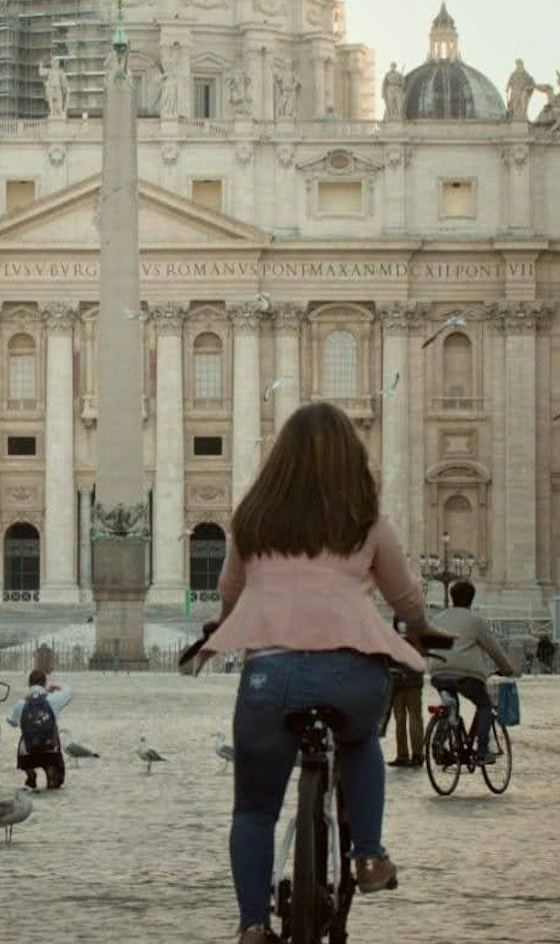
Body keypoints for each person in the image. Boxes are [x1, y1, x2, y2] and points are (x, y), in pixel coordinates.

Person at [197, 401, 447, 942]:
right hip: (350, 674)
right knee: (359, 739)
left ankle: (252, 925)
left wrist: (223, 624)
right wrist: (422, 628)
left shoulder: (253, 520)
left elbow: (230, 590)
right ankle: (369, 855)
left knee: (254, 809)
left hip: (269, 677)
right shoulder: (368, 523)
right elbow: (404, 597)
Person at [429, 579, 516, 766]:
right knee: (484, 705)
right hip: (465, 674)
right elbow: (493, 649)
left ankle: (440, 741)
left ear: (452, 597)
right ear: (471, 599)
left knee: (451, 706)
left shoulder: (438, 619)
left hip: (438, 672)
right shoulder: (476, 621)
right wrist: (507, 669)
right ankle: (482, 751)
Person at [7, 668, 70, 790]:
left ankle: (30, 774)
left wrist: (24, 703)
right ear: (45, 683)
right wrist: (54, 687)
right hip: (50, 750)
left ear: (29, 684)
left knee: (23, 742)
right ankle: (51, 774)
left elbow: (11, 721)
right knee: (52, 755)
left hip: (28, 752)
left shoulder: (21, 704)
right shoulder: (52, 699)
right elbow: (69, 691)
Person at [386, 621, 424, 768]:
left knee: (400, 718)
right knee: (414, 717)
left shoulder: (393, 636)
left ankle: (402, 755)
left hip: (397, 680)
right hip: (413, 679)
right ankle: (417, 754)